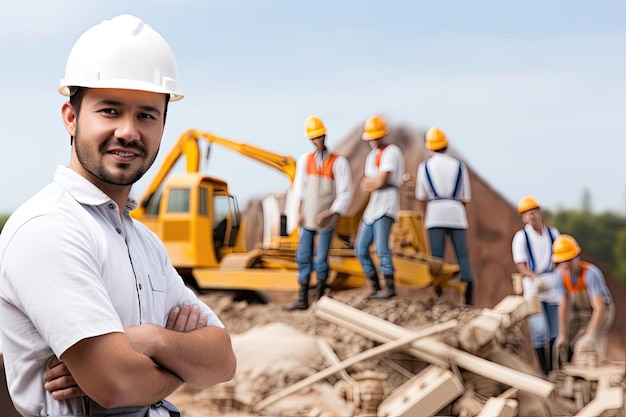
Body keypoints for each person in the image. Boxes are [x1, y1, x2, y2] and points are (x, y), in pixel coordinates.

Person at [0, 15, 236, 416]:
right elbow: (115, 385)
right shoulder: (49, 229)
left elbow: (222, 360)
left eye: (146, 115)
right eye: (110, 111)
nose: (128, 131)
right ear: (71, 118)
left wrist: (151, 341)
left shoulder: (144, 242)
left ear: (163, 125)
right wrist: (180, 365)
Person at [283, 115, 352, 310]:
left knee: (321, 258)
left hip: (326, 220)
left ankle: (321, 298)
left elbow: (345, 192)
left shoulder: (338, 163)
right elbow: (300, 189)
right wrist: (298, 212)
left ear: (325, 136)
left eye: (320, 136)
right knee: (303, 256)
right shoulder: (305, 160)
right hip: (308, 218)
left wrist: (331, 212)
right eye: (314, 138)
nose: (318, 140)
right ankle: (302, 298)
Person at [415, 126, 474, 305]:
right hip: (456, 213)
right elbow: (465, 197)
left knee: (436, 259)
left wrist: (425, 215)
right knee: (462, 257)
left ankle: (439, 297)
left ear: (429, 146)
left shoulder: (424, 167)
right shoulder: (459, 166)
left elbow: (421, 197)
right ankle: (468, 299)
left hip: (435, 214)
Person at [356, 115, 405, 299]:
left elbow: (380, 181)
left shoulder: (392, 152)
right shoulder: (372, 156)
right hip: (374, 205)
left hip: (386, 204)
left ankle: (389, 287)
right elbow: (366, 183)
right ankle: (376, 287)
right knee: (361, 249)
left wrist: (375, 183)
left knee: (382, 247)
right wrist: (374, 183)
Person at [511, 196, 560, 376]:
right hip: (534, 287)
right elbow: (520, 264)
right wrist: (534, 277)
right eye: (526, 214)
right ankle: (544, 370)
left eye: (533, 212)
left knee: (555, 331)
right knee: (539, 330)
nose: (530, 217)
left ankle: (555, 369)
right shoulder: (521, 237)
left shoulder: (553, 234)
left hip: (552, 284)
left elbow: (560, 259)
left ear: (539, 213)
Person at [552, 234, 615, 368]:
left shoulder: (590, 274)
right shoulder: (560, 276)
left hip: (600, 311)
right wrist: (562, 335)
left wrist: (591, 334)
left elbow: (599, 307)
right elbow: (563, 304)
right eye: (563, 261)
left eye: (569, 260)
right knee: (566, 342)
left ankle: (592, 369)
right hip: (579, 312)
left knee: (586, 345)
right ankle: (563, 371)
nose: (566, 265)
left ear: (577, 257)